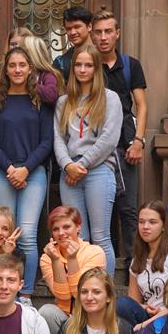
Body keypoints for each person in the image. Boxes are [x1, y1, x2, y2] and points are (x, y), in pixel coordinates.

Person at [0, 46, 54, 300]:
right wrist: (11, 168)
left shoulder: (40, 103)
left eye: (22, 65)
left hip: (33, 173)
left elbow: (47, 141)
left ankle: (26, 294)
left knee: (27, 235)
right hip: (2, 173)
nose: (17, 70)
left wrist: (25, 169)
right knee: (3, 235)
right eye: (12, 65)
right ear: (5, 70)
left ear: (30, 69)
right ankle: (3, 291)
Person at [53, 42, 122, 272]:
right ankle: (80, 287)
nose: (83, 70)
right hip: (69, 174)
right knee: (76, 238)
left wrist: (80, 165)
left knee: (101, 237)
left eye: (88, 65)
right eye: (78, 65)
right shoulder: (64, 102)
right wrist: (67, 165)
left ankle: (104, 289)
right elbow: (58, 138)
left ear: (96, 68)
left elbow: (108, 139)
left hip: (98, 171)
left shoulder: (110, 98)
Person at [90, 10, 148, 269]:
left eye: (108, 31)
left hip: (125, 145)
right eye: (98, 32)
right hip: (95, 145)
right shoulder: (87, 65)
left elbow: (141, 105)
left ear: (117, 34)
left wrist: (138, 141)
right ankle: (98, 266)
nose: (103, 37)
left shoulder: (130, 65)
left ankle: (135, 267)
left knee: (127, 208)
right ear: (92, 35)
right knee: (99, 211)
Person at [116, 201, 168, 328]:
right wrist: (145, 308)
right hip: (150, 316)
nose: (145, 227)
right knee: (122, 304)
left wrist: (144, 325)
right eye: (141, 222)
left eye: (152, 222)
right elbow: (133, 302)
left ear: (163, 226)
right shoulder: (138, 258)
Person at [38, 206, 107, 334]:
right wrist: (56, 261)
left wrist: (72, 259)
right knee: (46, 311)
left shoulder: (95, 252)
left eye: (66, 227)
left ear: (78, 228)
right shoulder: (47, 258)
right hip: (64, 317)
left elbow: (79, 293)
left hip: (90, 316)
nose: (61, 233)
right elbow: (62, 296)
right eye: (56, 229)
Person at [20, 35, 64, 106]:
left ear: (34, 55)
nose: (21, 55)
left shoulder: (47, 75)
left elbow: (51, 95)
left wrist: (29, 85)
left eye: (24, 51)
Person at [52, 6, 94, 80]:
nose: (72, 32)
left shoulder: (103, 56)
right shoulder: (61, 63)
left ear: (89, 27)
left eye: (77, 27)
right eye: (68, 29)